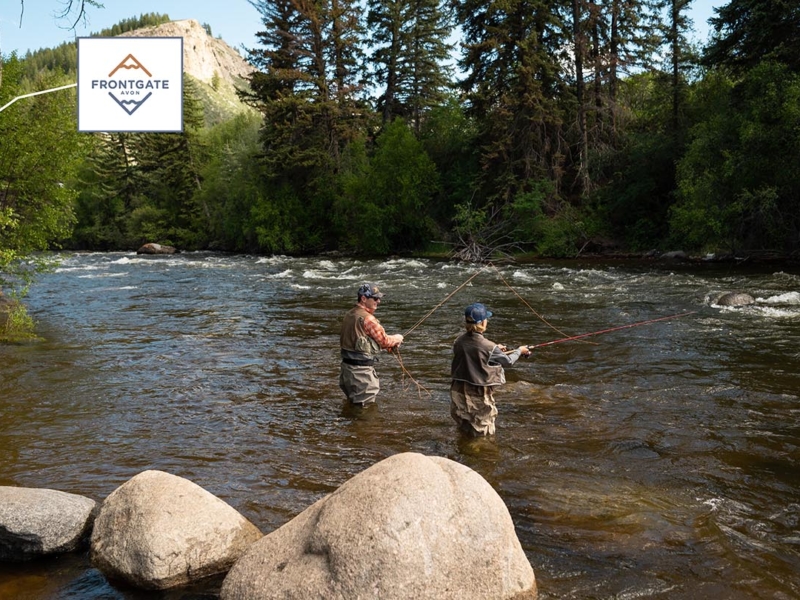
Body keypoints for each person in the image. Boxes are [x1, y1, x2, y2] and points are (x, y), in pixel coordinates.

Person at [450, 302, 531, 436]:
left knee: (464, 424)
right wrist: (519, 351)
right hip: (478, 392)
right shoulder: (489, 346)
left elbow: (472, 353)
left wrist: (495, 350)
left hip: (458, 389)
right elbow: (508, 362)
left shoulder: (458, 341)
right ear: (482, 322)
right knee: (483, 429)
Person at [339, 282, 404, 406]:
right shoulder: (368, 319)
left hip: (346, 371)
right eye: (375, 298)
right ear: (363, 299)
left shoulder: (349, 314)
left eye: (379, 298)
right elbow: (384, 341)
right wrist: (397, 338)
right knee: (365, 411)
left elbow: (358, 341)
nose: (378, 301)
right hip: (361, 375)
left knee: (353, 407)